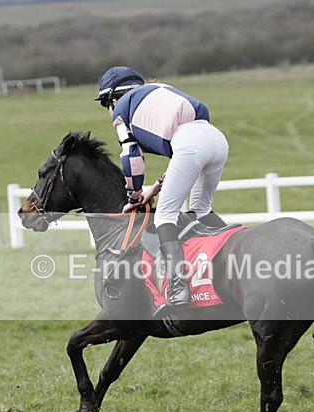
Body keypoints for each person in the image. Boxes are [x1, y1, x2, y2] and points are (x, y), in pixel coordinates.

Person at [95, 66, 229, 310]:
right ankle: (235, 258)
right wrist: (154, 189)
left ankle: (178, 287)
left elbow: (131, 157)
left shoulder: (122, 110)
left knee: (165, 216)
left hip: (191, 145)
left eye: (106, 105)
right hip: (216, 139)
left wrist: (133, 196)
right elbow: (186, 156)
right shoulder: (159, 91)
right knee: (201, 210)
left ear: (113, 99)